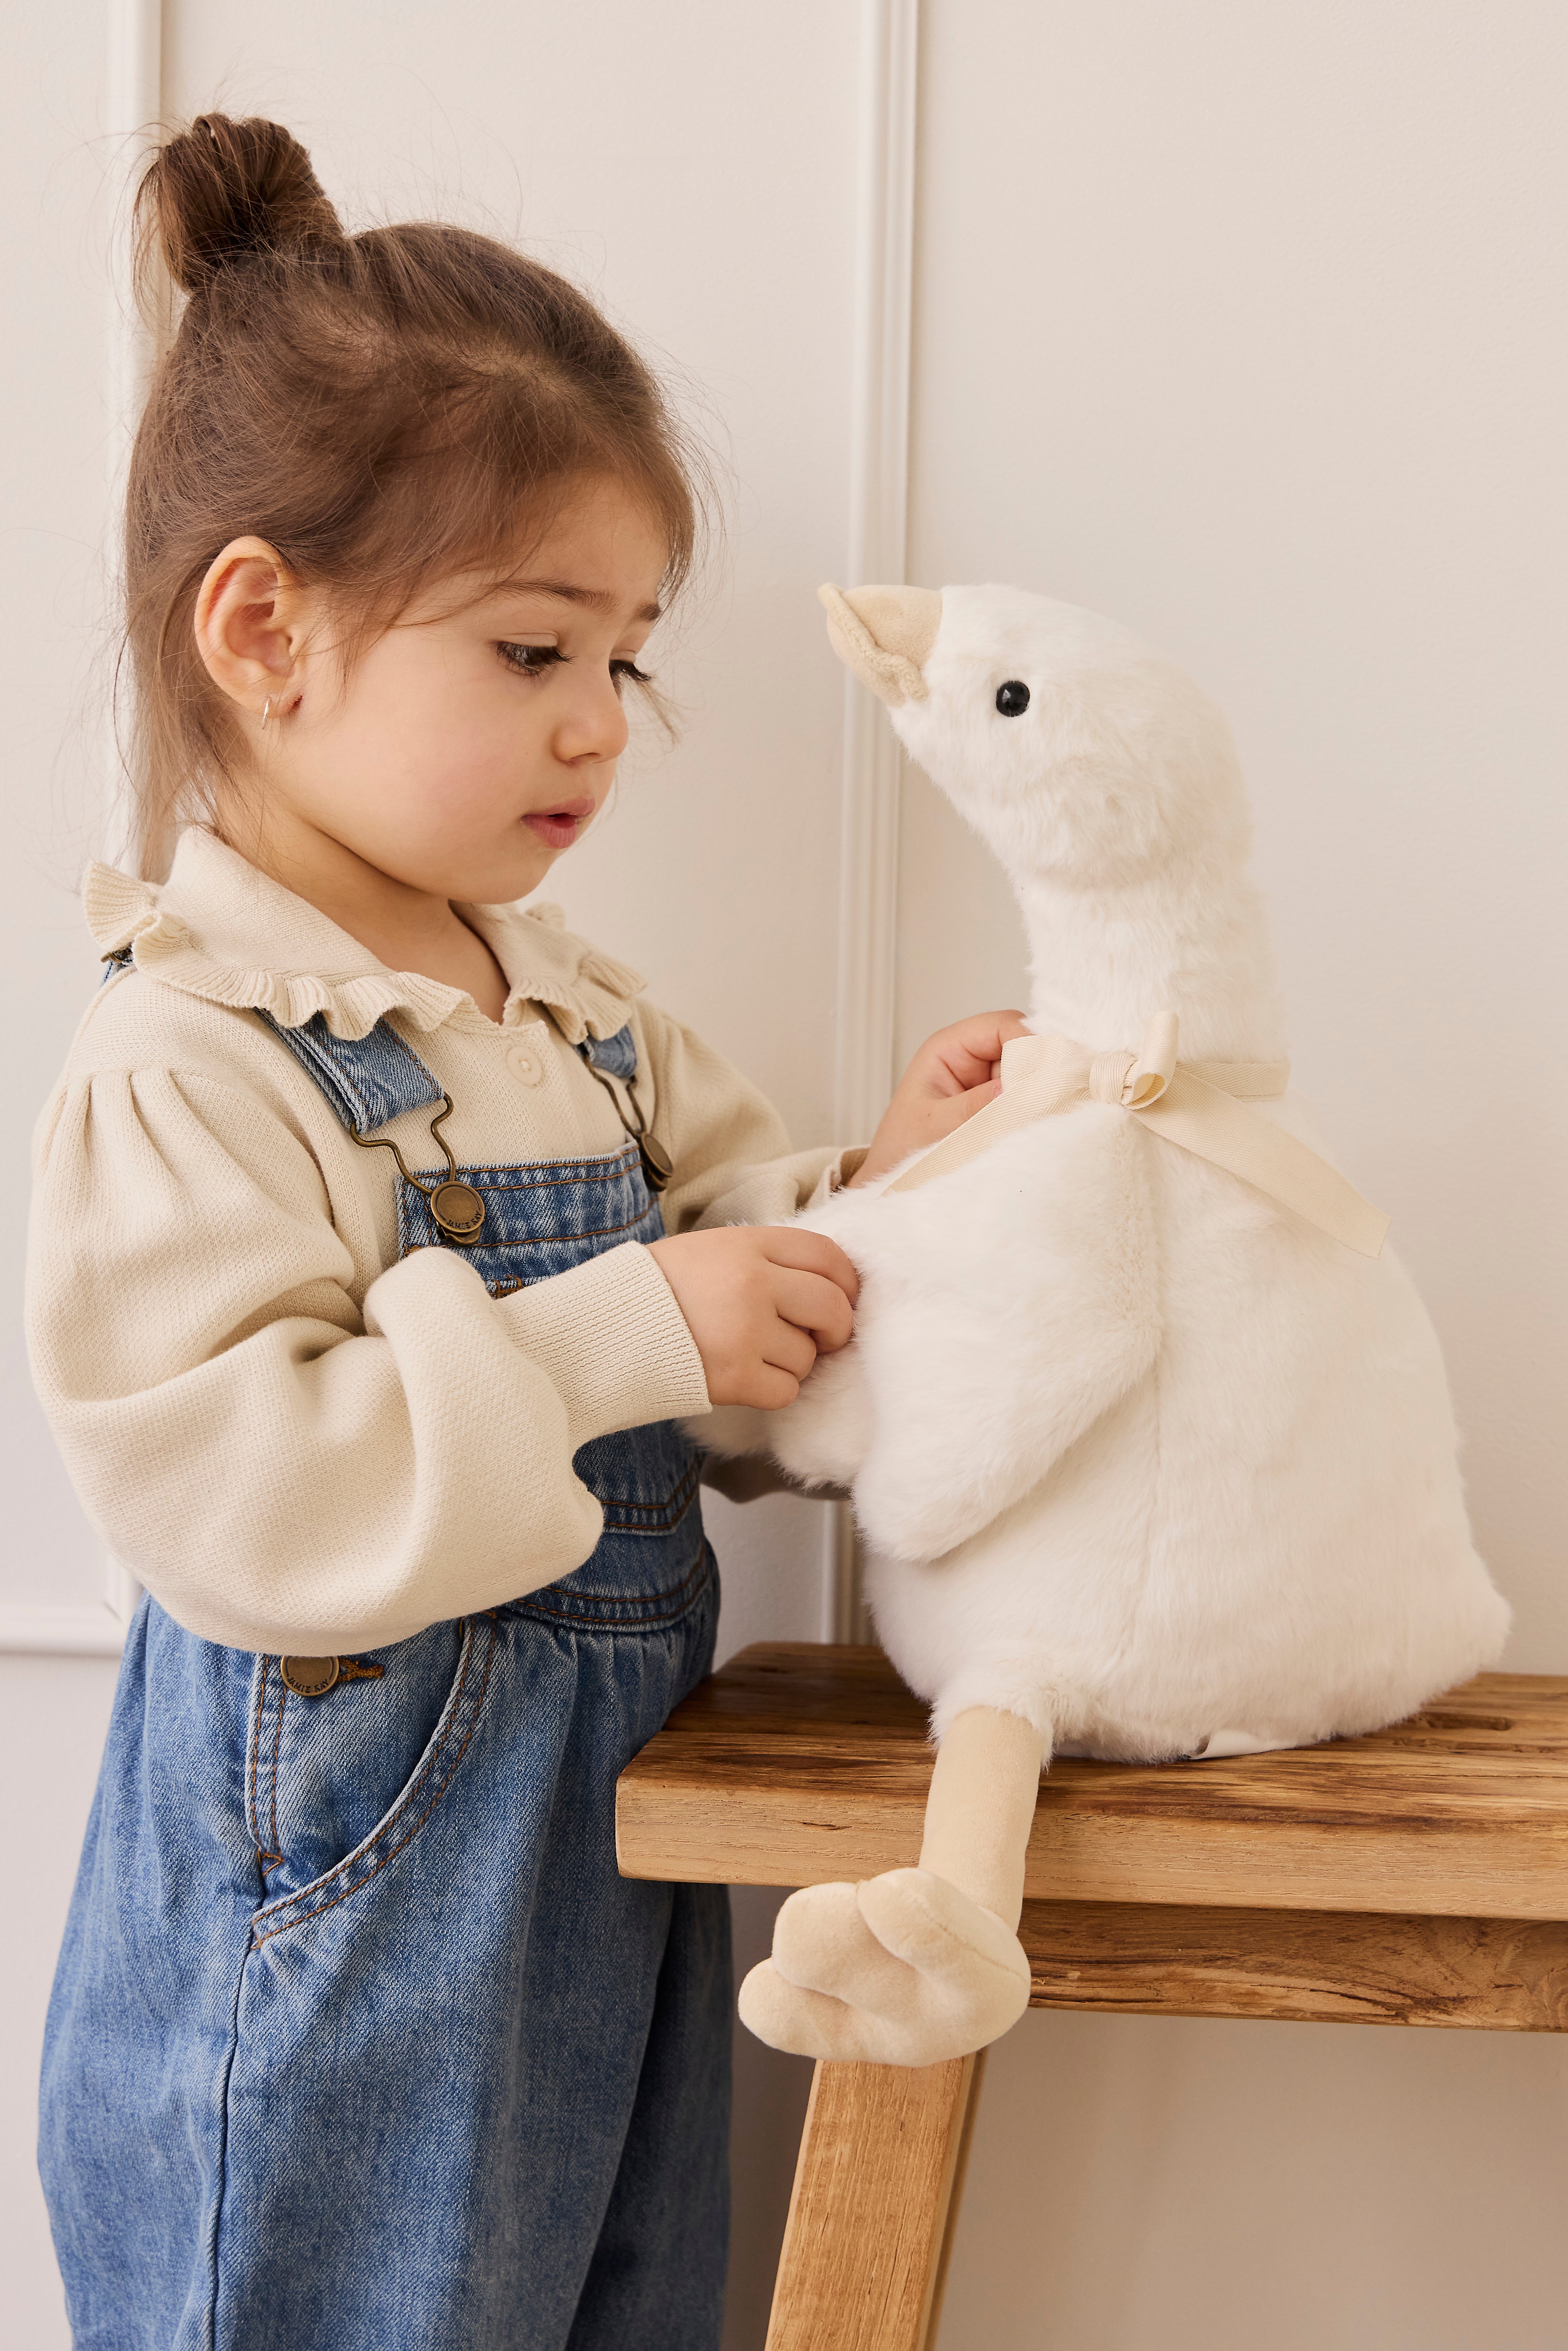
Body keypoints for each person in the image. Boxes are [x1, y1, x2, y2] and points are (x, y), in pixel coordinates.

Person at [26, 113, 1023, 2351]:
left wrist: (895, 1187)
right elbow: (243, 1481)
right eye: (533, 648)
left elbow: (735, 1275)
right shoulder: (196, 1056)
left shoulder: (565, 1010)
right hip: (343, 1941)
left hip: (596, 1877)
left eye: (628, 661)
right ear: (266, 627)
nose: (599, 722)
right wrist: (615, 1335)